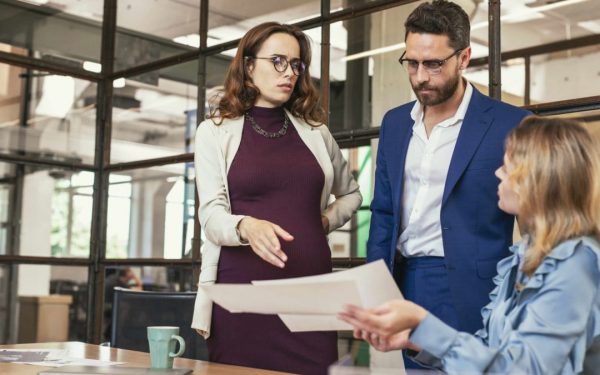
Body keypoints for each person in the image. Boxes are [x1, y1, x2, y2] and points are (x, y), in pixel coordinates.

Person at [341, 116, 600, 374]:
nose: (497, 173)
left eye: (507, 168)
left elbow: (525, 369)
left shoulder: (577, 263)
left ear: (537, 181)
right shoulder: (524, 256)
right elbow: (492, 354)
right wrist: (418, 339)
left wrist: (425, 323)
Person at [191, 22, 362, 374]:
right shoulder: (214, 132)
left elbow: (351, 194)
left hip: (311, 297)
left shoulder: (316, 133)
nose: (290, 73)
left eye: (296, 65)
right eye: (278, 61)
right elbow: (210, 217)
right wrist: (246, 226)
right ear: (249, 66)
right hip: (243, 296)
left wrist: (326, 220)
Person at [366, 0, 531, 364]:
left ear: (464, 57)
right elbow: (383, 211)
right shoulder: (395, 124)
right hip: (406, 281)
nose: (421, 76)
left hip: (479, 289)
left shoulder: (511, 125)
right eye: (412, 63)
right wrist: (374, 289)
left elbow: (537, 226)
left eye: (434, 64)